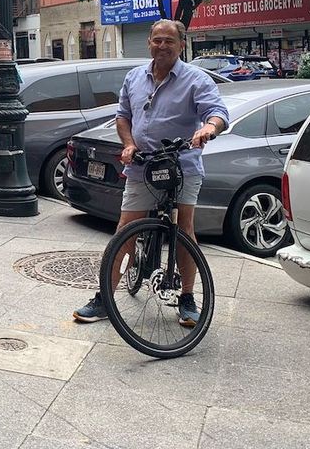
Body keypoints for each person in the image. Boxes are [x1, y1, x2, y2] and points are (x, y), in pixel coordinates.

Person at [73, 19, 228, 325]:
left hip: (181, 165)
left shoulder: (195, 79)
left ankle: (187, 297)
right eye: (157, 40)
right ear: (149, 42)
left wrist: (209, 128)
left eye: (169, 41)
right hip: (142, 165)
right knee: (125, 229)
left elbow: (217, 113)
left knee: (184, 230)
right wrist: (129, 144)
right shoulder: (134, 77)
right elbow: (122, 116)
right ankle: (105, 298)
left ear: (180, 45)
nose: (162, 46)